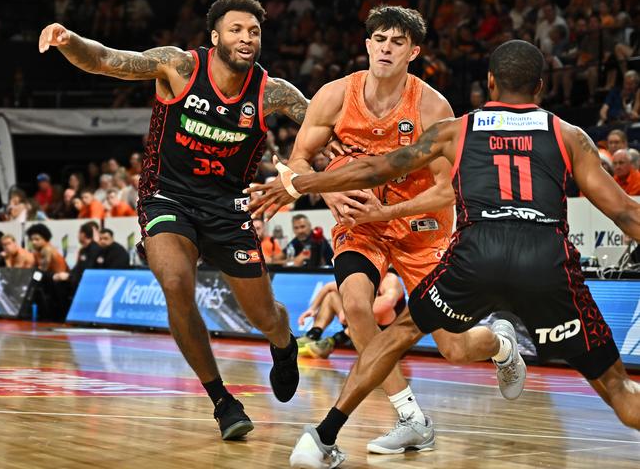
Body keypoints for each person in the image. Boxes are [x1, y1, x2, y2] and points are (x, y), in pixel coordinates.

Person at [249, 40, 640, 467]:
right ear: (542, 88)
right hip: (544, 259)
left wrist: (298, 185)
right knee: (619, 392)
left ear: (489, 83)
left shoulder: (456, 129)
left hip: (476, 253)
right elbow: (624, 211)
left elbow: (376, 168)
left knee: (400, 333)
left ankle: (321, 439)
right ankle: (409, 414)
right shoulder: (569, 135)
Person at [39, 0, 312, 440]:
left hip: (229, 208)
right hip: (168, 197)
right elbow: (109, 59)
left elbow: (323, 127)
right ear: (215, 36)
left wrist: (309, 167)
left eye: (254, 31)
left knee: (265, 316)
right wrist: (69, 41)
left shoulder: (273, 93)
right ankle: (222, 401)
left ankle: (284, 345)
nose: (247, 38)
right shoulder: (179, 66)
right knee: (176, 284)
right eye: (237, 29)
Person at [257, 5, 501, 454]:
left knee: (455, 347)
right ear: (367, 44)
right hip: (360, 225)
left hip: (421, 226)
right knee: (355, 304)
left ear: (414, 52)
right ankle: (410, 415)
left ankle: (500, 342)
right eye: (380, 40)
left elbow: (447, 193)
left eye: (398, 42)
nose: (387, 48)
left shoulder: (431, 105)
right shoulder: (334, 95)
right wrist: (329, 194)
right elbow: (298, 161)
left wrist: (384, 214)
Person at [298, 272, 406, 359]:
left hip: (386, 334)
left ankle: (333, 341)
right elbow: (328, 287)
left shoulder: (389, 279)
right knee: (331, 296)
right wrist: (312, 309)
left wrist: (351, 313)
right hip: (358, 325)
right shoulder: (361, 277)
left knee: (382, 310)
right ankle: (313, 334)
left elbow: (388, 301)